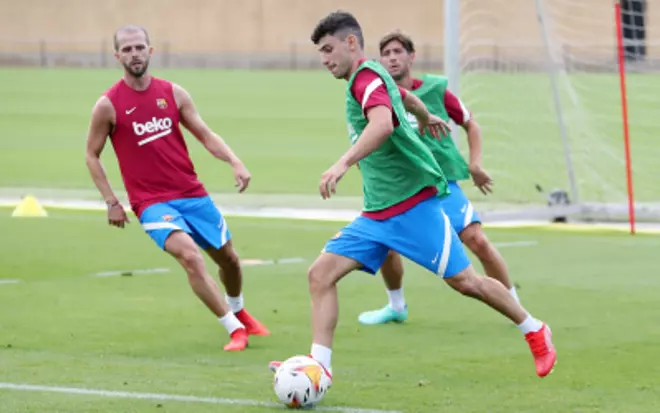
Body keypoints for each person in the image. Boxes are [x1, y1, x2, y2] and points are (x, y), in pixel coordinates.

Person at [269, 11, 556, 382]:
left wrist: (341, 164)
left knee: (466, 283)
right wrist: (423, 116)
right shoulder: (372, 76)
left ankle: (534, 329)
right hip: (376, 216)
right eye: (320, 52)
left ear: (351, 43)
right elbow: (402, 95)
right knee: (320, 275)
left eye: (329, 49)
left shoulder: (366, 77)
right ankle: (318, 366)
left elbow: (383, 124)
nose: (325, 59)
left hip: (412, 208)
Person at [84, 25, 269, 352]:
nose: (134, 54)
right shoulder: (108, 105)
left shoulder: (173, 93)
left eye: (139, 47)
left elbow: (206, 135)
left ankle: (239, 309)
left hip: (192, 194)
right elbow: (91, 155)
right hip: (151, 203)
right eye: (126, 50)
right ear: (117, 56)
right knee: (190, 257)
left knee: (230, 260)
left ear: (150, 50)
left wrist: (235, 162)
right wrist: (111, 201)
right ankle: (234, 329)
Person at [358, 30, 521, 326]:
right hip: (402, 186)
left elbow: (472, 125)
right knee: (385, 246)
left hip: (441, 183)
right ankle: (396, 306)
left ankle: (515, 306)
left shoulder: (436, 90)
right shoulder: (377, 94)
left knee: (477, 240)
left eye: (398, 52)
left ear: (411, 56)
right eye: (386, 54)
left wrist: (475, 164)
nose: (392, 58)